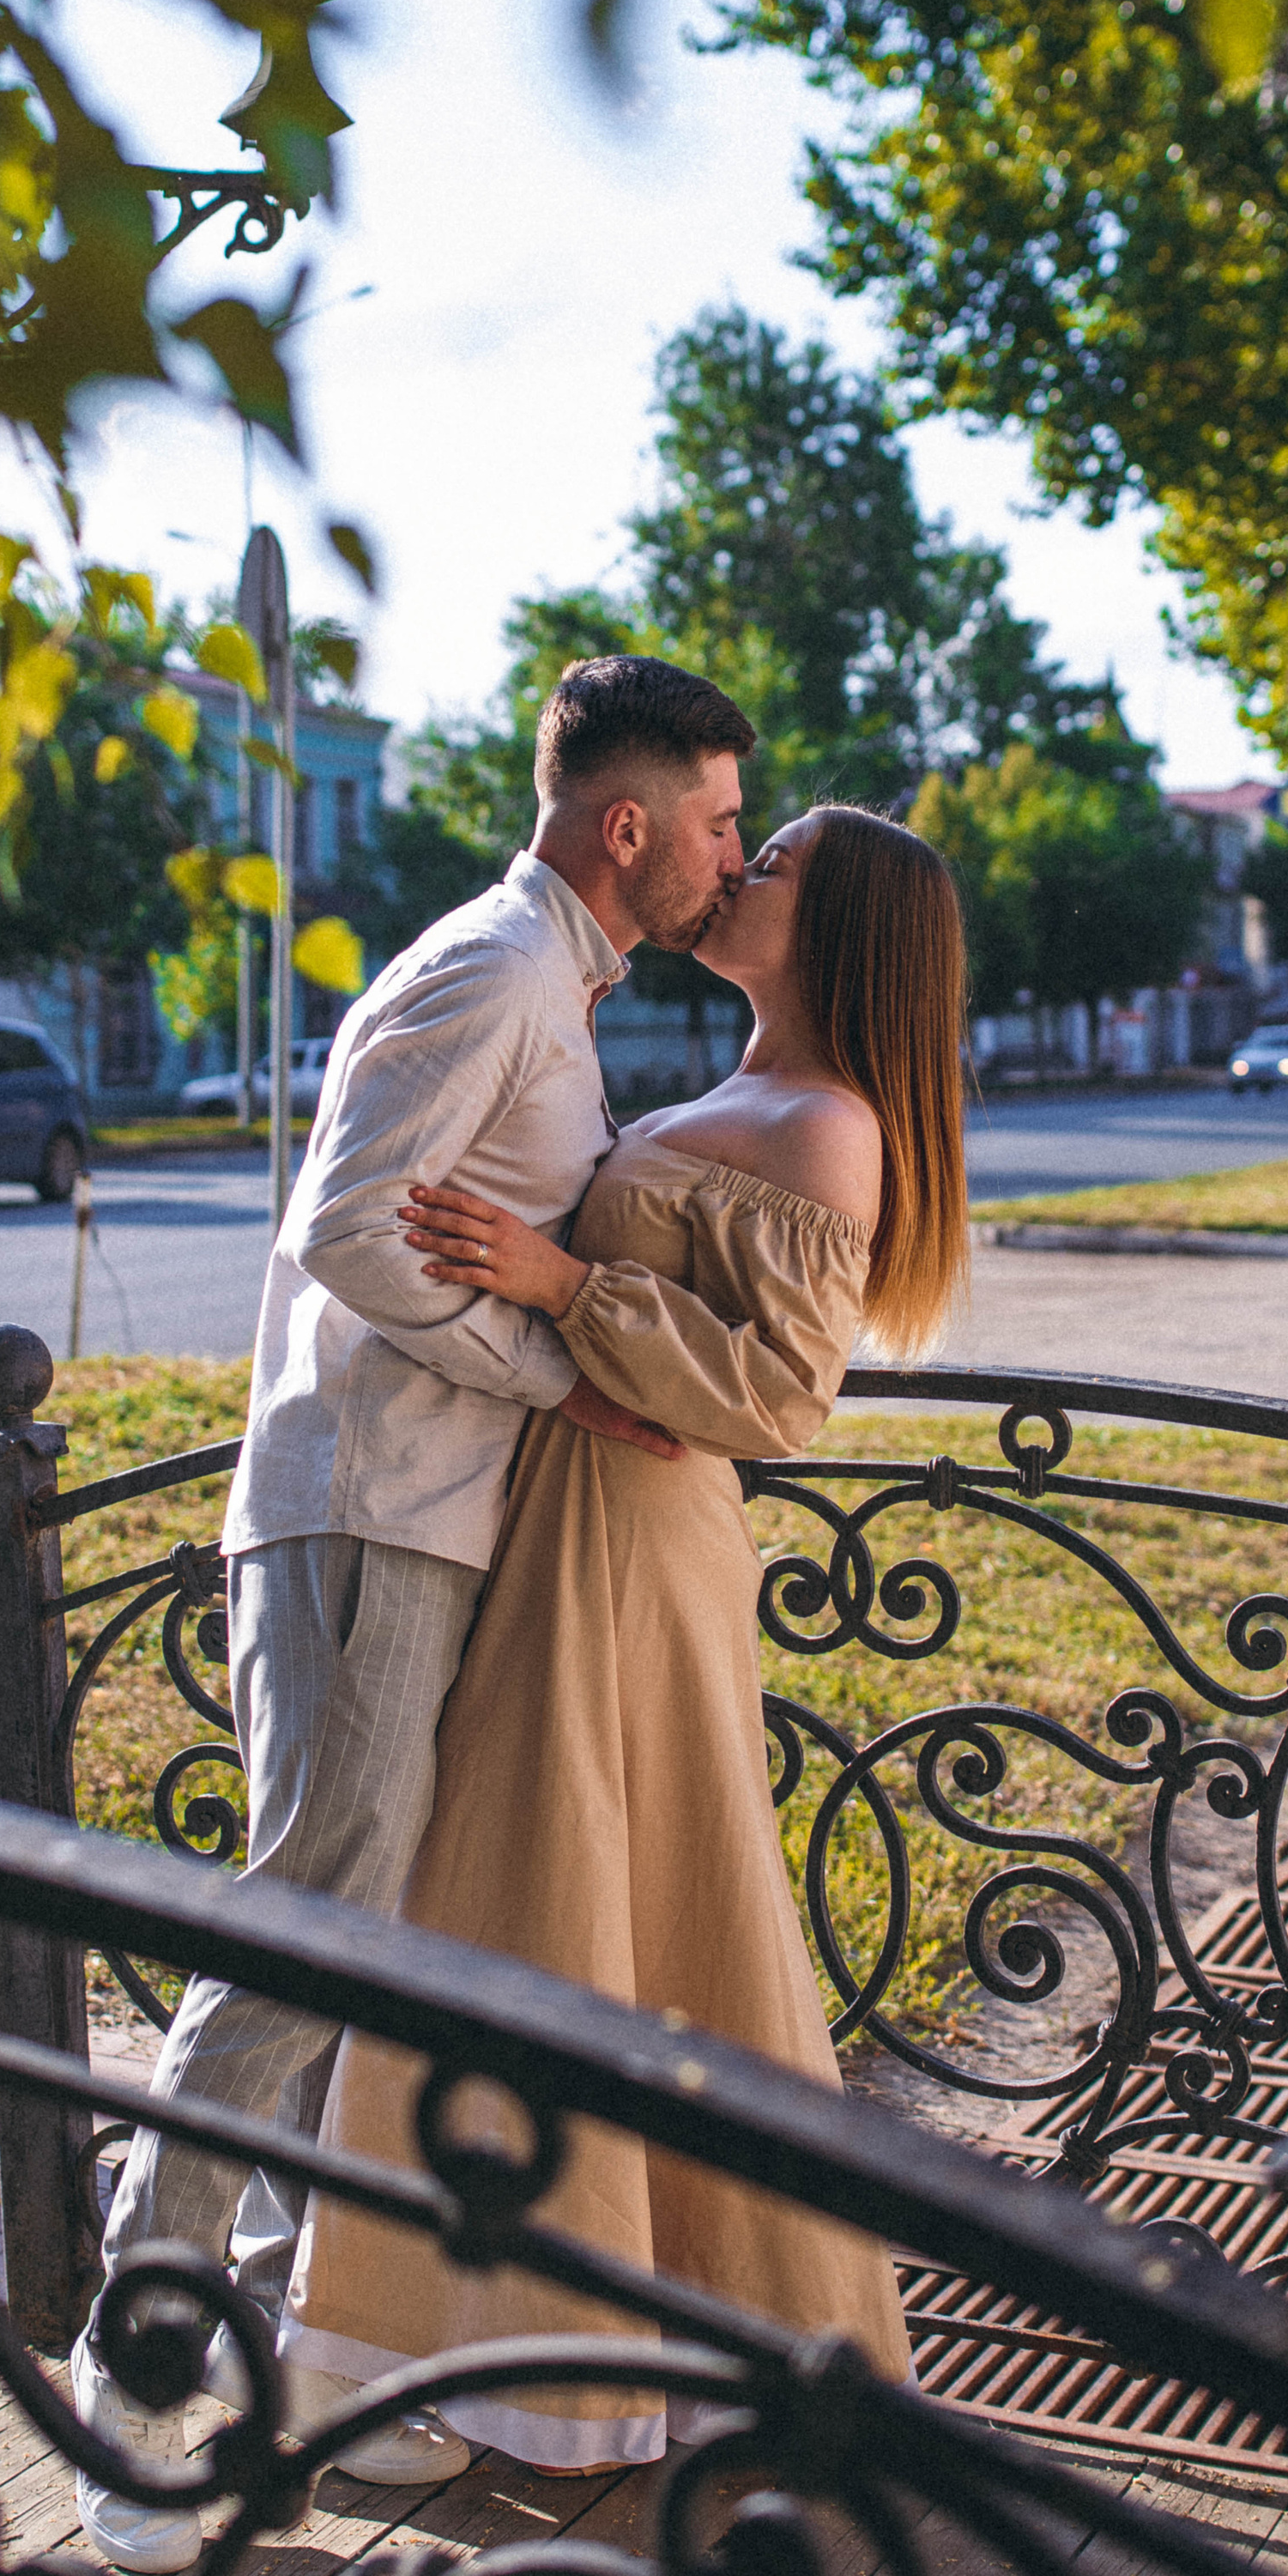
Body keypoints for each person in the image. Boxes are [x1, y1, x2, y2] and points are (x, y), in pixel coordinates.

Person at [71, 654, 758, 2576]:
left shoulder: (550, 977)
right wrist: (558, 1373)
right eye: (713, 821)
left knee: (359, 1950)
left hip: (425, 1525)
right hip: (365, 1515)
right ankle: (134, 2378)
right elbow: (344, 1226)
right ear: (624, 825)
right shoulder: (493, 971)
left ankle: (293, 2371)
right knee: (301, 1934)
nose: (730, 853)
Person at [276, 803, 969, 2473]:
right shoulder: (748, 1090)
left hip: (630, 1540)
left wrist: (553, 1280)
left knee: (553, 1904)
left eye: (775, 862)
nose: (738, 873)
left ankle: (448, 2356)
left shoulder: (821, 1126)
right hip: (566, 1516)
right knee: (562, 1909)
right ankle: (491, 2344)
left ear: (843, 930)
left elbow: (776, 1396)